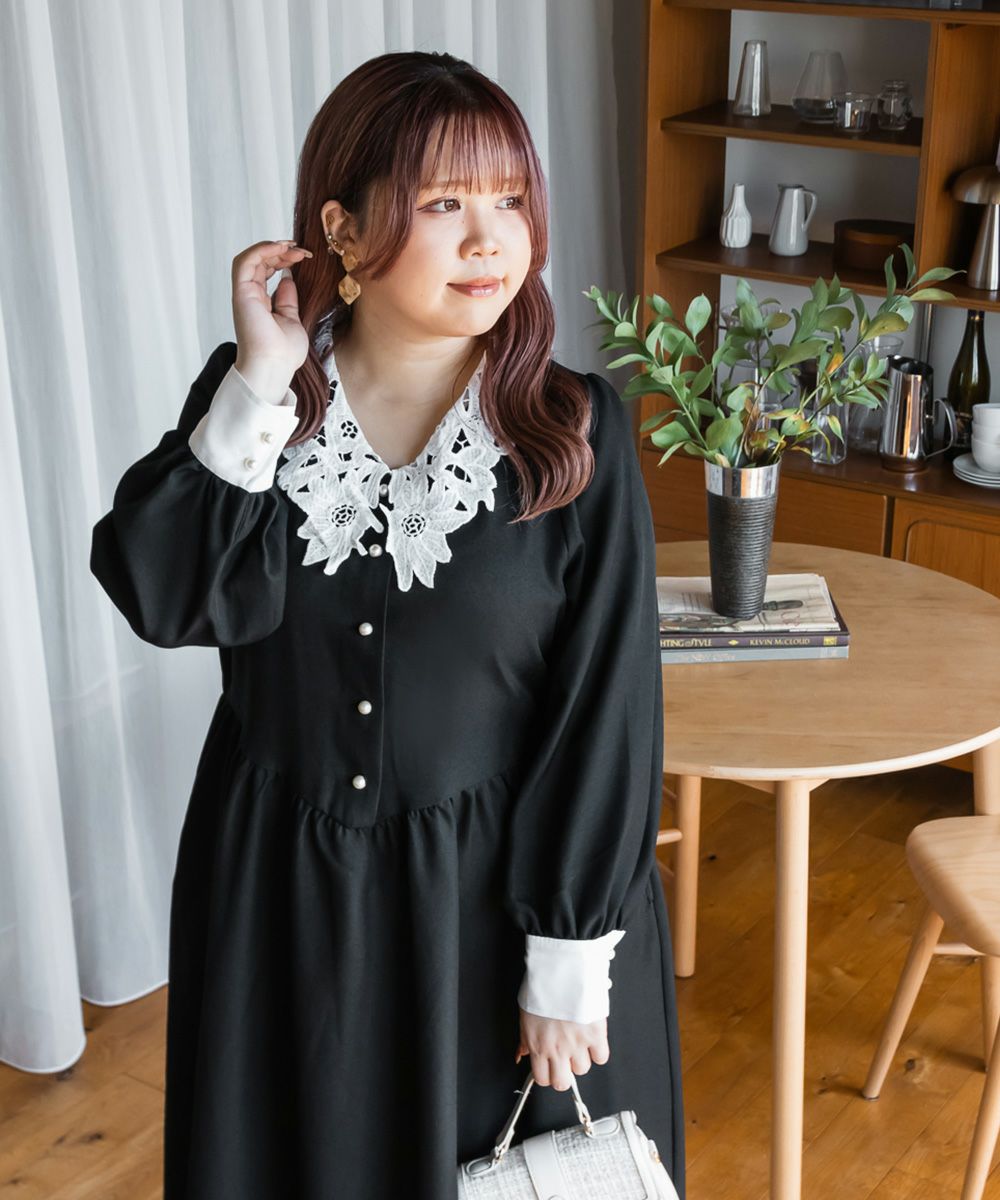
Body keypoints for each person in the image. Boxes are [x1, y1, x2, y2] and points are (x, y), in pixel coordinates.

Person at [89, 48, 685, 1200]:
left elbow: (607, 711)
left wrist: (564, 960)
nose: (490, 240)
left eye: (509, 200)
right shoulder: (262, 403)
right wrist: (259, 380)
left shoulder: (571, 434)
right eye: (444, 203)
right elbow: (165, 599)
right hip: (278, 898)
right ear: (344, 230)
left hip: (501, 906)